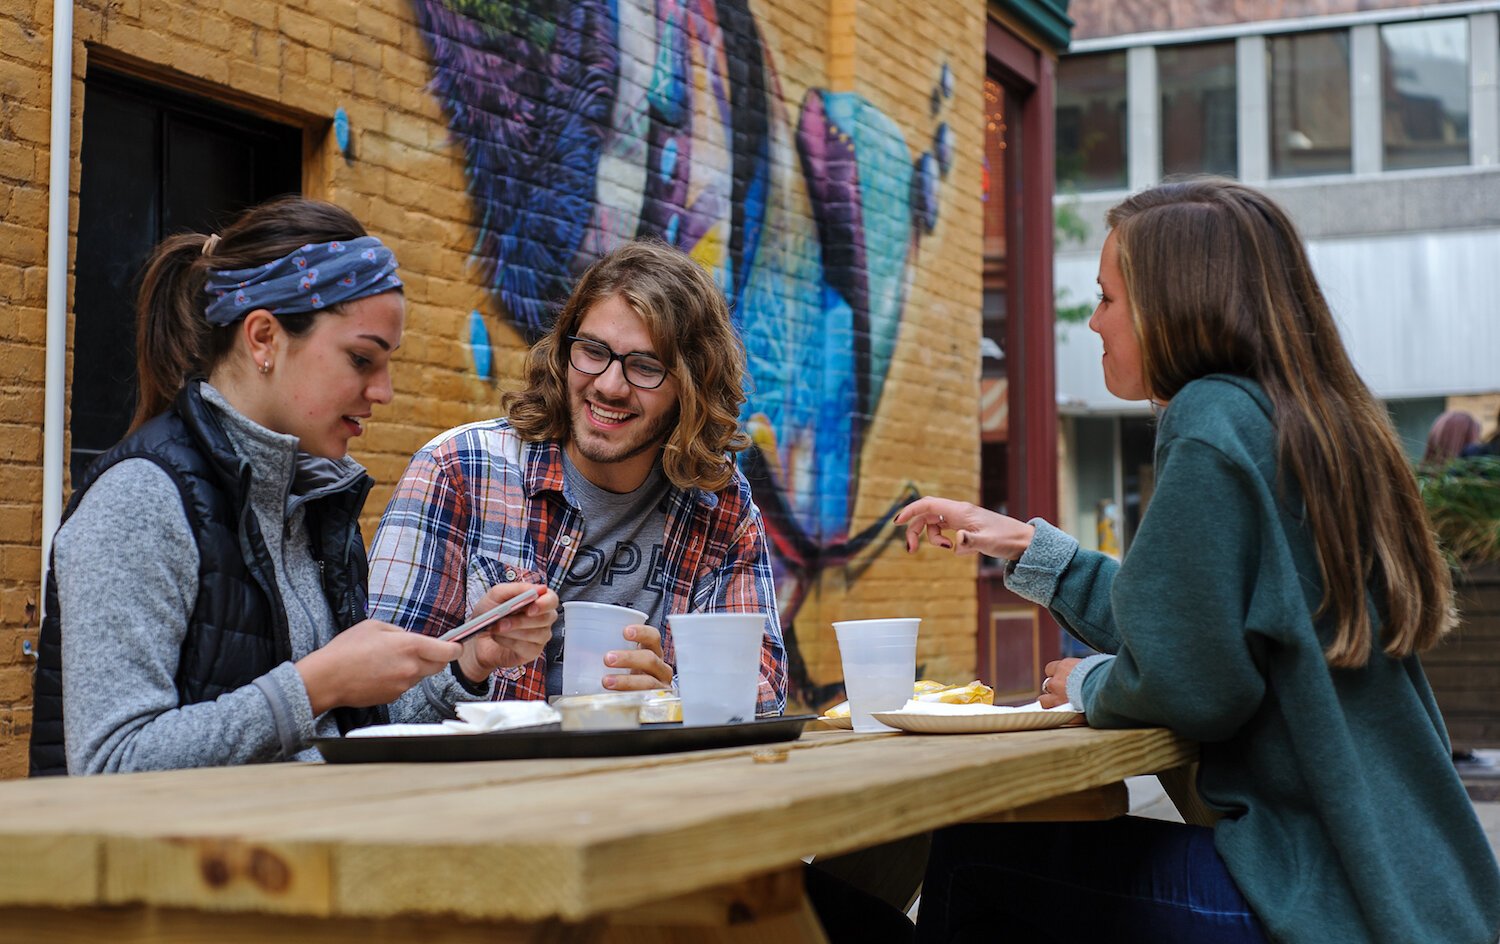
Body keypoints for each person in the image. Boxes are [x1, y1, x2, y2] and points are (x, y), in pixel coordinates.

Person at [896, 179, 1500, 944]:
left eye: (1108, 298)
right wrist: (1024, 544)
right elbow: (1200, 617)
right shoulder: (1307, 419)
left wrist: (1090, 680)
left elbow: (1196, 682)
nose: (1094, 322)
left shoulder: (1209, 420)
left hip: (1322, 900)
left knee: (970, 854)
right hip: (1416, 893)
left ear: (1173, 304)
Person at [29, 198, 557, 777]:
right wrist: (314, 685)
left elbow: (347, 731)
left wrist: (471, 662)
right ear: (263, 338)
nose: (383, 392)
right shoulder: (141, 500)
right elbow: (107, 766)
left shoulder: (313, 502)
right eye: (362, 359)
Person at [368, 240, 786, 712]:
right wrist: (470, 664)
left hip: (648, 783)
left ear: (691, 385)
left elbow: (764, 691)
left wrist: (671, 696)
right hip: (489, 783)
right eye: (593, 351)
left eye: (645, 366)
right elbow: (376, 704)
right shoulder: (459, 470)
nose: (609, 385)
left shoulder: (718, 504)